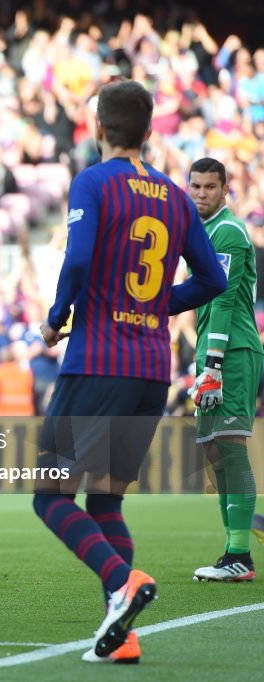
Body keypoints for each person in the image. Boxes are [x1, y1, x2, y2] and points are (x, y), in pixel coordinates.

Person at [36, 81, 227, 663]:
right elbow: (213, 280)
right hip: (150, 367)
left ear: (98, 129)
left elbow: (80, 257)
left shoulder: (93, 182)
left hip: (96, 360)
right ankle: (123, 638)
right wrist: (155, 306)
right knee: (107, 502)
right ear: (149, 132)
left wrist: (55, 317)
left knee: (49, 494)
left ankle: (122, 583)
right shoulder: (173, 194)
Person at [187, 158, 260, 582]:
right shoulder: (204, 234)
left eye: (210, 187)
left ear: (225, 189)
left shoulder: (228, 232)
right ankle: (234, 549)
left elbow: (227, 301)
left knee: (229, 445)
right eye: (195, 186)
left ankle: (240, 556)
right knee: (214, 452)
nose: (201, 194)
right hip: (211, 355)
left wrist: (213, 364)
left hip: (231, 353)